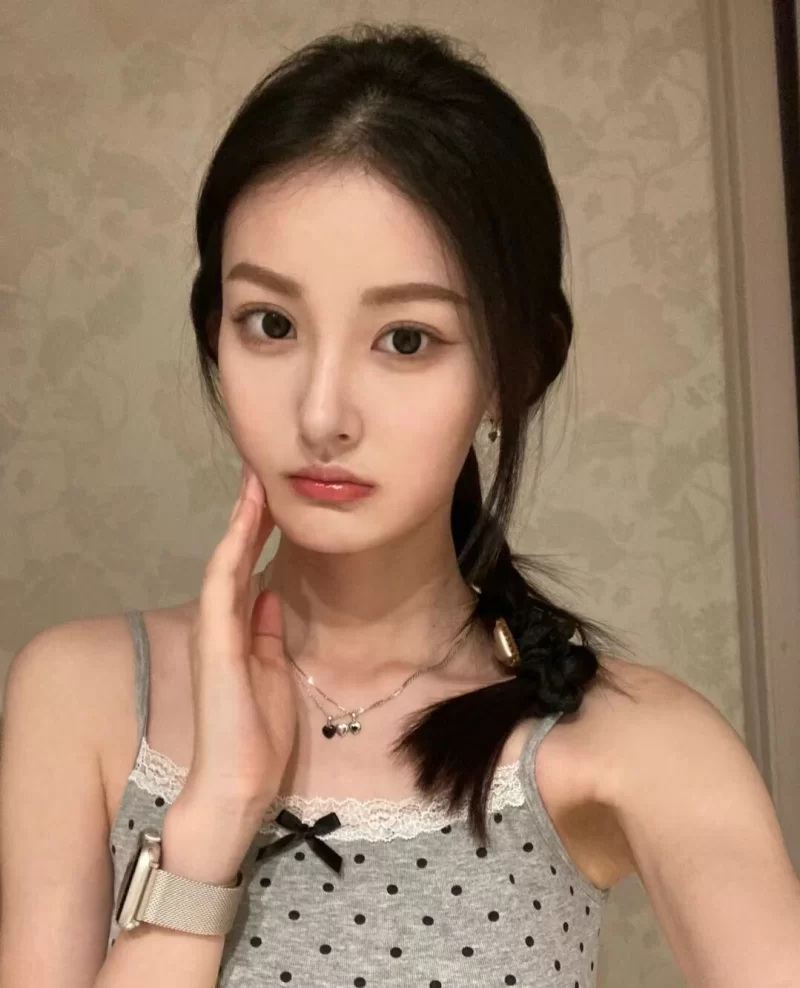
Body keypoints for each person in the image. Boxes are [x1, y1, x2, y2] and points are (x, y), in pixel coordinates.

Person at [2, 21, 798, 988]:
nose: (322, 413)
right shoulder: (80, 695)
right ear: (215, 334)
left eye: (408, 339)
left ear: (510, 370)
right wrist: (209, 829)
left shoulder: (634, 744)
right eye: (271, 323)